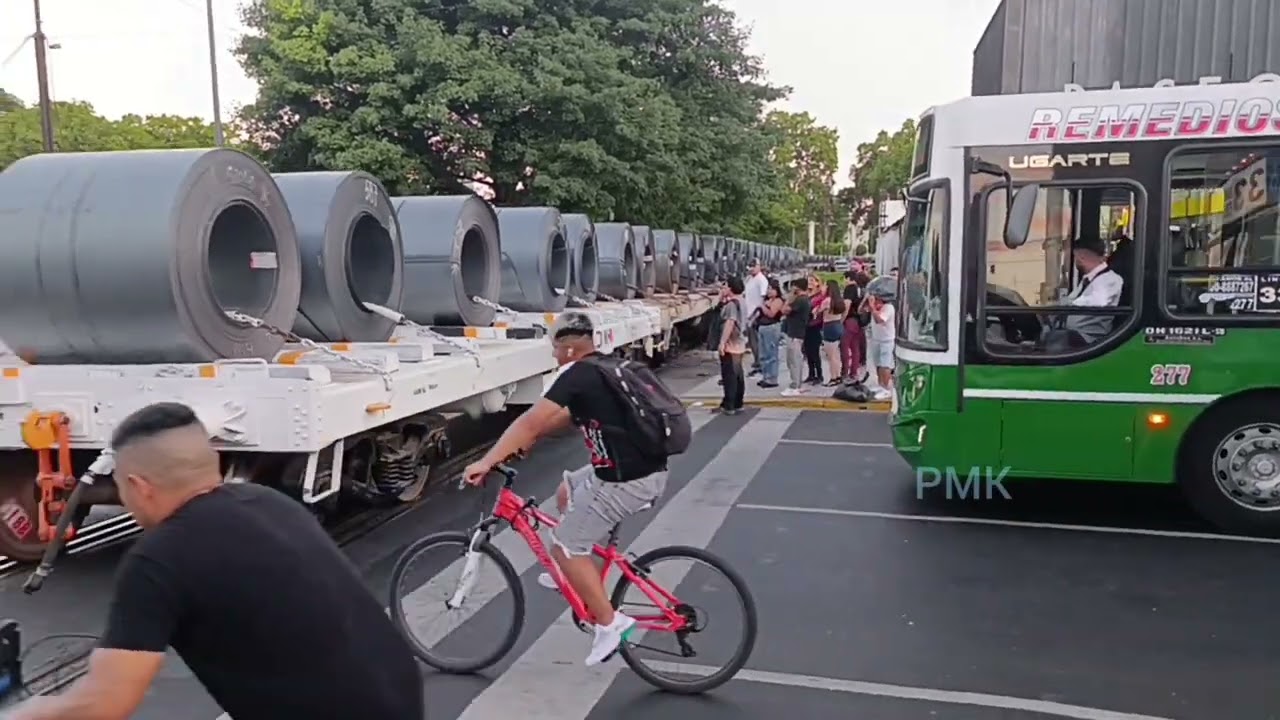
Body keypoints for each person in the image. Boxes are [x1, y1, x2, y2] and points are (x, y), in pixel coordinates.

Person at [3, 403, 423, 720]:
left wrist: (24, 712)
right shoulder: (267, 501)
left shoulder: (159, 558)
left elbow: (106, 702)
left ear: (138, 486)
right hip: (396, 695)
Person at [463, 311, 668, 666]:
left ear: (571, 349)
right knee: (566, 490)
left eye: (556, 348)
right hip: (635, 469)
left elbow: (531, 419)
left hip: (627, 480)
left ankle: (611, 624)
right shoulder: (606, 368)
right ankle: (579, 575)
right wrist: (528, 439)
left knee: (565, 547)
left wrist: (486, 461)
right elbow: (560, 421)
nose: (554, 354)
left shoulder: (578, 375)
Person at [1064, 234, 1124, 343]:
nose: (1075, 261)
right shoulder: (1088, 279)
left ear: (1082, 257)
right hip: (1076, 333)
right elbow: (1071, 298)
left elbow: (1097, 301)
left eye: (1076, 257)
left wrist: (1069, 305)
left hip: (1090, 339)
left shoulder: (1111, 279)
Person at [716, 275, 748, 414]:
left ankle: (729, 404)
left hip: (731, 343)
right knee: (738, 374)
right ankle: (738, 402)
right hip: (740, 342)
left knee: (729, 375)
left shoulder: (731, 305)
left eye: (724, 286)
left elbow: (730, 322)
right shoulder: (742, 301)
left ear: (730, 288)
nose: (722, 289)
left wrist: (722, 343)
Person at [780, 279, 811, 397]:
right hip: (796, 333)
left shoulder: (800, 300)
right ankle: (798, 384)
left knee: (793, 360)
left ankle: (795, 385)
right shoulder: (804, 300)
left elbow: (784, 310)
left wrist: (790, 297)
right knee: (795, 359)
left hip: (795, 333)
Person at [864, 292, 896, 401]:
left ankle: (886, 389)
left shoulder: (888, 308)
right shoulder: (875, 306)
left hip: (886, 340)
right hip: (876, 339)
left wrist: (873, 308)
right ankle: (880, 385)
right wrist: (865, 300)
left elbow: (879, 320)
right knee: (878, 364)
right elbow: (860, 310)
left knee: (885, 364)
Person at [755, 279, 785, 388]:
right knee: (763, 354)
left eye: (771, 289)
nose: (769, 291)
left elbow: (771, 314)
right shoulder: (766, 300)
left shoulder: (778, 301)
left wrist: (762, 306)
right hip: (762, 327)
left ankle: (772, 378)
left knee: (771, 353)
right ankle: (765, 376)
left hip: (771, 327)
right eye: (768, 289)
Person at [840, 271, 867, 382]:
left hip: (850, 320)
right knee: (855, 347)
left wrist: (841, 320)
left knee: (845, 347)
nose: (844, 281)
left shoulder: (850, 288)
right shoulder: (861, 289)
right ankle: (854, 372)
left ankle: (845, 372)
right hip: (858, 321)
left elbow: (847, 305)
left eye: (844, 279)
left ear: (848, 278)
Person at [743, 259, 768, 376]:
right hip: (748, 313)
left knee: (757, 340)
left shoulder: (761, 280)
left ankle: (760, 363)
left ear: (759, 266)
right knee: (752, 341)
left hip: (756, 314)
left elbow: (762, 299)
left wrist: (755, 315)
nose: (751, 269)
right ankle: (757, 360)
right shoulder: (749, 279)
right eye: (750, 266)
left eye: (753, 266)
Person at [819, 279, 846, 387]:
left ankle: (834, 377)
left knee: (831, 356)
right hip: (838, 324)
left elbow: (817, 312)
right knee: (836, 354)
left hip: (829, 326)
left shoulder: (827, 301)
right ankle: (838, 375)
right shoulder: (839, 301)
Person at [803, 275, 826, 384]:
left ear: (817, 282)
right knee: (807, 351)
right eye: (808, 281)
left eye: (812, 280)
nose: (810, 283)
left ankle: (819, 375)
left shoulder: (819, 297)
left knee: (814, 352)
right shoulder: (808, 295)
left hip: (815, 326)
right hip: (806, 326)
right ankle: (811, 373)